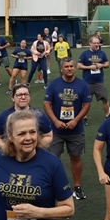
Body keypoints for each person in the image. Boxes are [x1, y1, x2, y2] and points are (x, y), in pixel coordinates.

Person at [43, 59, 92, 200]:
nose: (69, 69)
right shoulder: (54, 84)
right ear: (61, 69)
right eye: (66, 67)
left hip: (75, 130)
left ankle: (77, 187)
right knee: (53, 158)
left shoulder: (82, 85)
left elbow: (86, 105)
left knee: (75, 157)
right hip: (56, 130)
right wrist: (55, 121)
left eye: (71, 66)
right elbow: (47, 104)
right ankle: (53, 186)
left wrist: (76, 120)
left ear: (75, 68)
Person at [0, 84, 53, 150]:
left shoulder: (40, 115)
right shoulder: (3, 116)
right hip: (11, 156)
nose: (23, 97)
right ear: (13, 98)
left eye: (26, 94)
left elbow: (48, 135)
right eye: (19, 95)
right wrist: (7, 148)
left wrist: (35, 148)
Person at [77, 37, 110, 115]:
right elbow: (78, 66)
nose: (96, 45)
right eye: (94, 43)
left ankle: (107, 115)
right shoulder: (84, 54)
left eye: (97, 43)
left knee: (105, 99)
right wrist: (89, 67)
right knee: (86, 101)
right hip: (88, 82)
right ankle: (84, 117)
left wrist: (101, 65)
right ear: (90, 43)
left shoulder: (102, 53)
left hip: (99, 81)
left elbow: (107, 64)